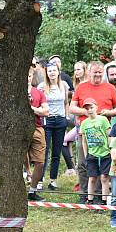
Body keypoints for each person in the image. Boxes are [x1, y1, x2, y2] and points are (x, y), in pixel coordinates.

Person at [70, 61, 116, 201]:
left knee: (102, 163)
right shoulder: (81, 87)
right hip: (85, 131)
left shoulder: (110, 87)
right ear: (89, 72)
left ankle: (99, 195)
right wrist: (86, 111)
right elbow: (72, 108)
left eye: (100, 72)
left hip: (103, 131)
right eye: (95, 72)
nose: (97, 74)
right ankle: (84, 193)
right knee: (84, 162)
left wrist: (108, 112)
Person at [39, 61, 71, 190]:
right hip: (47, 120)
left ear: (58, 72)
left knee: (56, 152)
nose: (52, 73)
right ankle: (40, 179)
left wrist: (66, 117)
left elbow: (66, 103)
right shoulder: (42, 86)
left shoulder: (63, 85)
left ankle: (53, 180)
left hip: (60, 120)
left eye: (54, 70)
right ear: (46, 73)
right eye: (50, 71)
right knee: (44, 151)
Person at [27, 68, 48, 201]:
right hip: (18, 130)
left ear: (32, 76)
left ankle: (32, 191)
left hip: (37, 128)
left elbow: (46, 111)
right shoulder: (13, 93)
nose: (26, 78)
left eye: (29, 75)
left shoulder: (38, 93)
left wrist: (33, 109)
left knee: (40, 162)